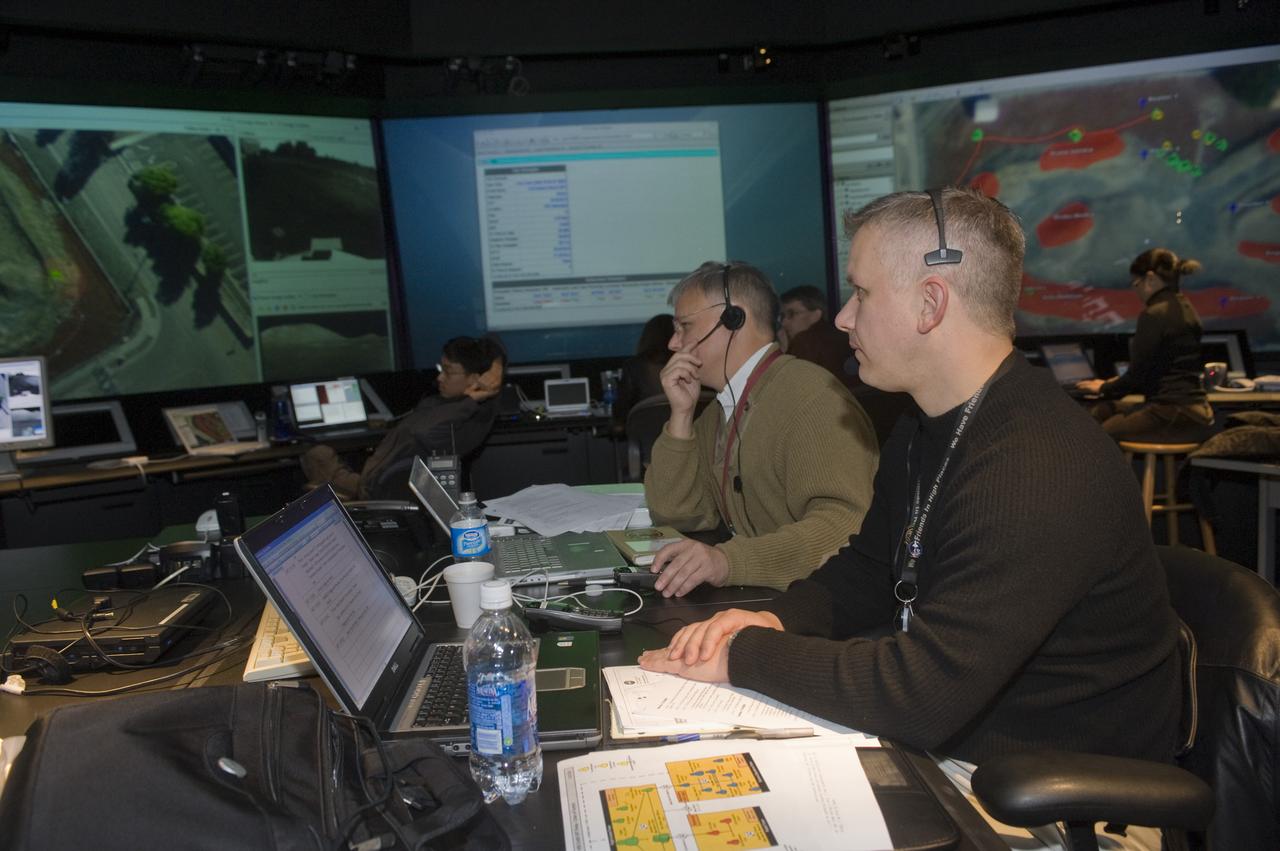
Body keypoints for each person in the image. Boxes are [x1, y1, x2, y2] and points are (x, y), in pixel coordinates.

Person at [640, 189, 1179, 850]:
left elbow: (919, 692)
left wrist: (743, 654)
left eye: (861, 293)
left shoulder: (1036, 465)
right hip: (956, 756)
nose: (841, 317)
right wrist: (774, 618)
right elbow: (869, 568)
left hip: (1055, 804)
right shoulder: (932, 428)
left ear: (931, 304)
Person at [643, 260, 878, 596]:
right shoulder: (722, 409)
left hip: (820, 612)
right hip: (776, 596)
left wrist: (728, 562)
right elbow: (679, 513)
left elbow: (845, 528)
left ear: (733, 319)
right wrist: (681, 416)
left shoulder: (812, 398)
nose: (673, 344)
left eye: (684, 326)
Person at [301, 336, 506, 500]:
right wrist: (497, 365)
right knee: (320, 455)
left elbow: (425, 431)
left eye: (448, 371)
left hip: (375, 490)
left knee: (317, 455)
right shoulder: (446, 403)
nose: (440, 377)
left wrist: (470, 400)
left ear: (474, 379)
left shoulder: (473, 414)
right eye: (440, 369)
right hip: (375, 479)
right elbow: (493, 339)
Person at [1076, 248, 1214, 443]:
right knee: (1107, 412)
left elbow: (1136, 377)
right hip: (1195, 412)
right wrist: (1112, 385)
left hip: (1169, 412)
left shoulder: (1154, 314)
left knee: (1095, 432)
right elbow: (1154, 370)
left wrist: (1103, 387)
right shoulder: (1186, 308)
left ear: (1150, 279)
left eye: (1136, 283)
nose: (1136, 290)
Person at [778, 284, 860, 391]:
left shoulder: (805, 342)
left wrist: (784, 354)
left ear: (816, 315)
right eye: (782, 316)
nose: (784, 322)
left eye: (792, 314)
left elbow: (790, 388)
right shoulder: (842, 337)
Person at [614, 313, 675, 423]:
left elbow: (623, 407)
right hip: (691, 431)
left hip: (645, 432)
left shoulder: (634, 366)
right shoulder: (694, 363)